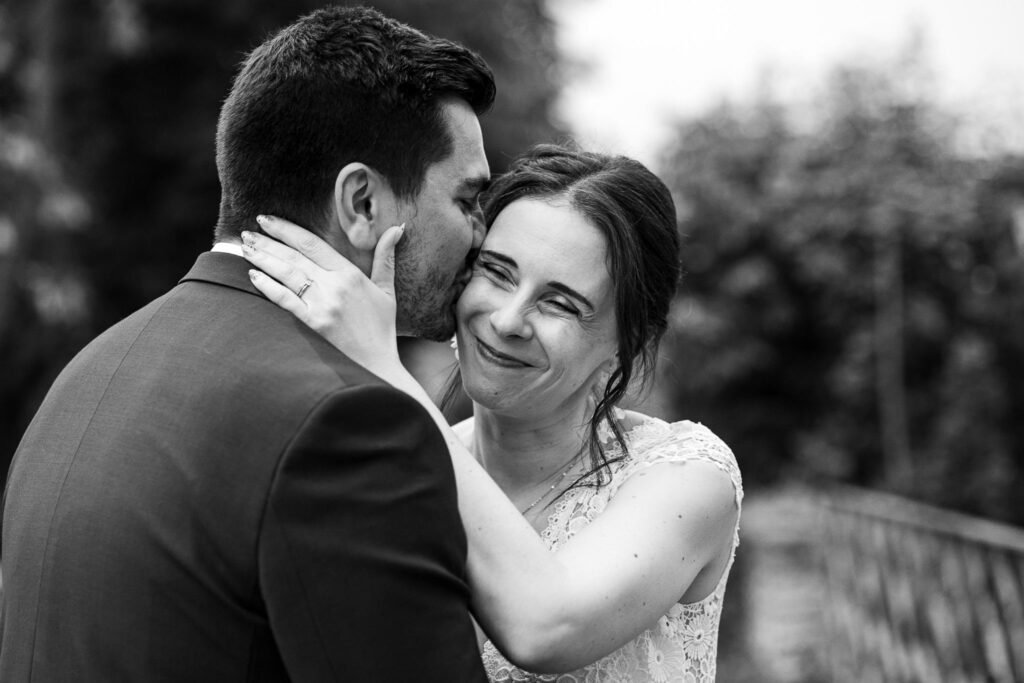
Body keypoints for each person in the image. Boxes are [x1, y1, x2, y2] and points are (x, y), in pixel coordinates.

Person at [0, 7, 494, 681]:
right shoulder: (350, 422)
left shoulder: (87, 373)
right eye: (467, 201)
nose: (480, 236)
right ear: (363, 204)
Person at [242, 144, 743, 682]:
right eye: (497, 272)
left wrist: (384, 370)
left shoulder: (688, 477)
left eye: (561, 303)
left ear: (626, 341)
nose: (507, 319)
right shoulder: (402, 465)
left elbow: (547, 628)